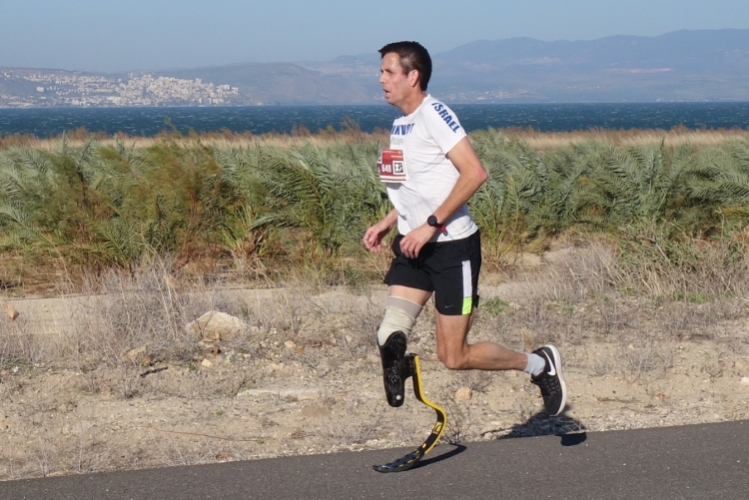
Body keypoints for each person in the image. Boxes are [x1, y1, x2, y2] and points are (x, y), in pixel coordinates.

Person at [362, 41, 567, 416]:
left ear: (412, 76)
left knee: (453, 357)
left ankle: (539, 364)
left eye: (388, 72)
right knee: (390, 333)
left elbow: (475, 173)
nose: (381, 79)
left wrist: (431, 225)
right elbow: (418, 187)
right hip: (413, 245)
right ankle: (400, 378)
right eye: (381, 72)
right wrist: (388, 221)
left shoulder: (434, 114)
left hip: (451, 249)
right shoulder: (401, 124)